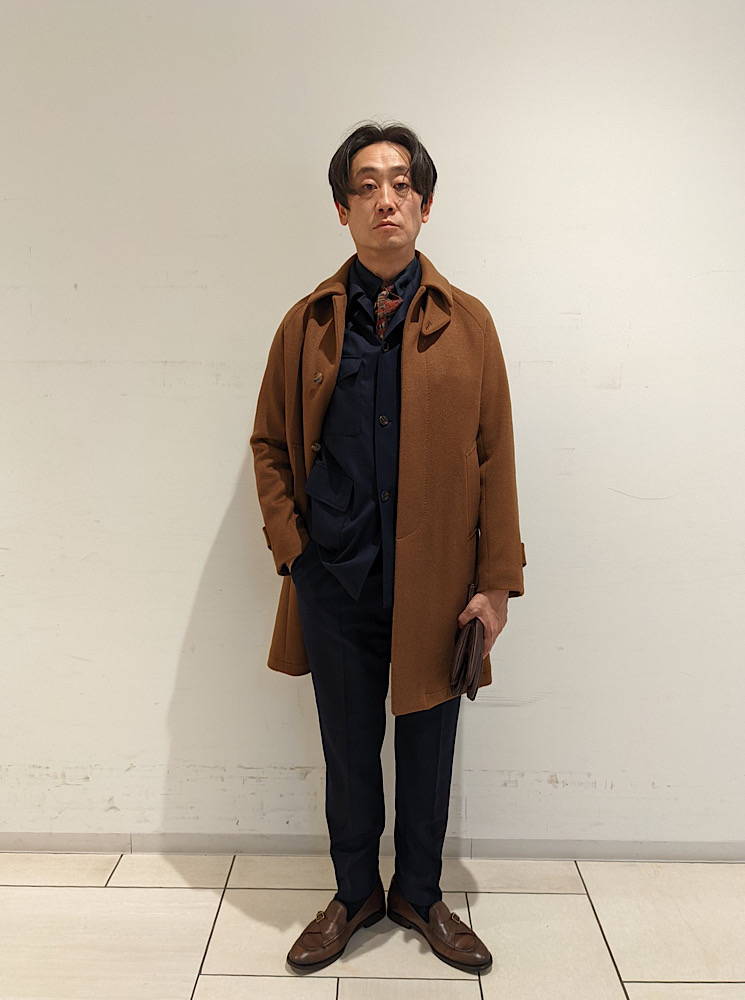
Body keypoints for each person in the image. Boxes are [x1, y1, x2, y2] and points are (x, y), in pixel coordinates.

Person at [250, 121, 525, 975]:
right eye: (366, 186)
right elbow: (269, 445)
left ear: (425, 204)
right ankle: (352, 894)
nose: (386, 199)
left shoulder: (469, 325)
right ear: (343, 209)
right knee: (347, 748)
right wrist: (295, 553)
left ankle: (421, 893)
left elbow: (496, 456)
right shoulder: (305, 325)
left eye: (401, 184)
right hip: (334, 578)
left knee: (429, 747)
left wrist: (497, 583)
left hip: (439, 584)